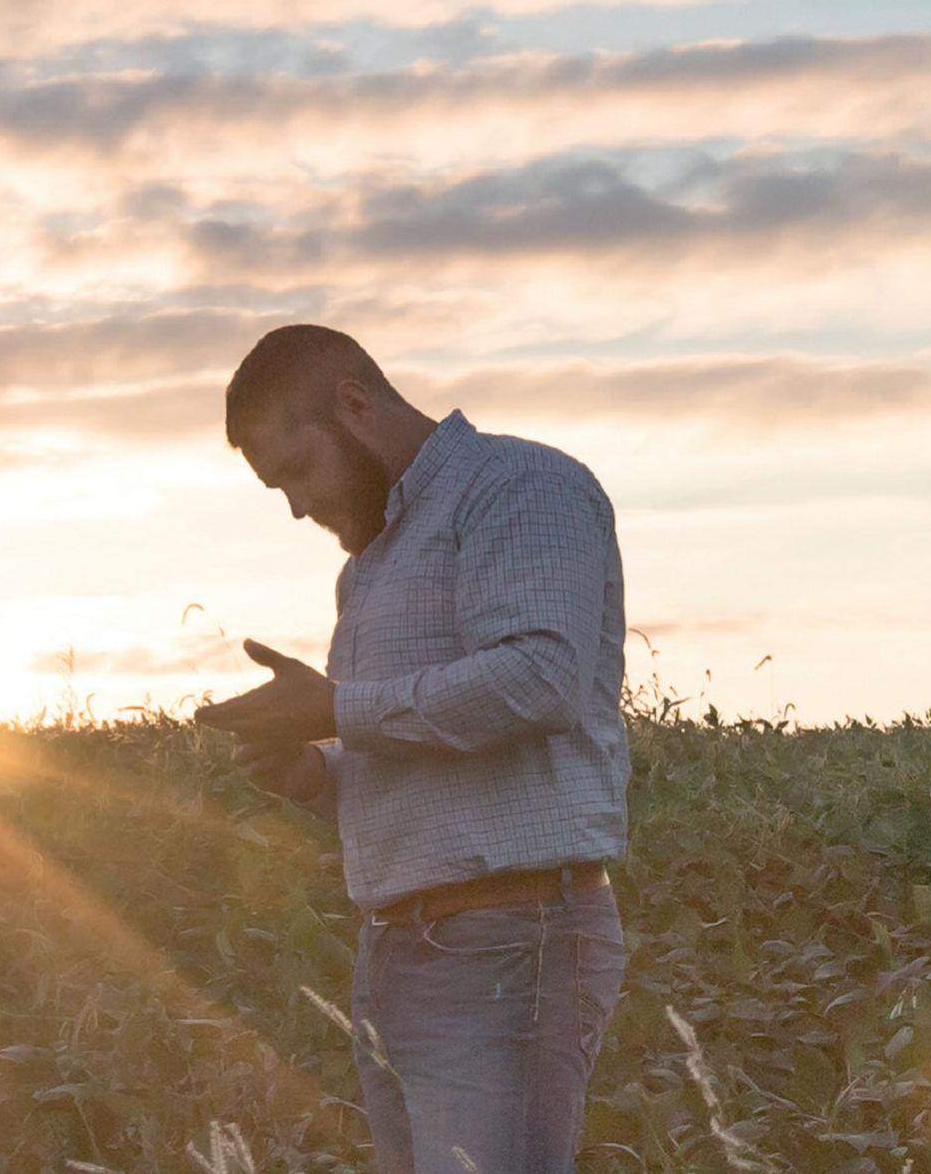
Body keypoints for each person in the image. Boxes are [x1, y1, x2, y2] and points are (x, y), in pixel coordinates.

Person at [195, 325, 630, 1174]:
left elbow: (541, 677)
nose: (293, 505)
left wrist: (335, 707)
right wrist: (311, 770)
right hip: (401, 947)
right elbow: (415, 747)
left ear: (353, 405)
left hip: (509, 936)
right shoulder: (368, 568)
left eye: (295, 470)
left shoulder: (519, 486)